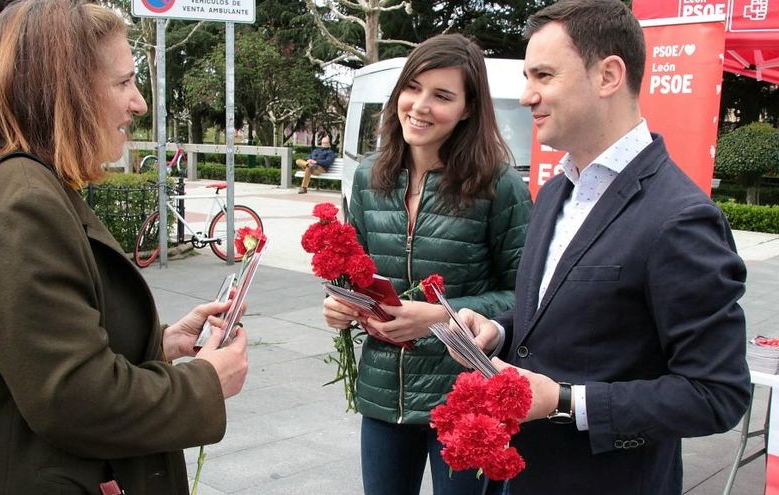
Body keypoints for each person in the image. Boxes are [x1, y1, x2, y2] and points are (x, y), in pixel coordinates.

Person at [0, 1, 249, 494]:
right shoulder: (22, 203)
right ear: (65, 92)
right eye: (123, 82)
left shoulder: (14, 181)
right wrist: (206, 384)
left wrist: (162, 344)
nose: (139, 103)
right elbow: (75, 399)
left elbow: (33, 351)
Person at [449, 1, 751, 494]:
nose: (528, 96)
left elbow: (715, 393)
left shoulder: (680, 218)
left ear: (609, 75)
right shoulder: (555, 192)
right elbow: (563, 320)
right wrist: (497, 332)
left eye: (543, 75)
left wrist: (566, 402)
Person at [322, 34, 532, 495]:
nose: (419, 105)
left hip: (464, 397)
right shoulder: (369, 176)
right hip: (383, 392)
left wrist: (442, 315)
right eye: (412, 88)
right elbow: (350, 273)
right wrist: (339, 304)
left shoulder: (498, 185)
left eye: (442, 96)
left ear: (468, 109)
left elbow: (528, 298)